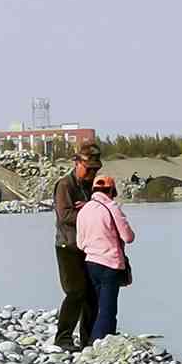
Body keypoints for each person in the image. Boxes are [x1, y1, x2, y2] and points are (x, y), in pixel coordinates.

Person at [51, 140, 101, 350]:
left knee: (91, 294)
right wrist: (88, 211)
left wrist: (90, 207)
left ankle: (88, 339)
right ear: (77, 163)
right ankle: (63, 338)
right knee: (75, 292)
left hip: (87, 247)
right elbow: (65, 216)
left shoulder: (90, 185)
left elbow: (102, 208)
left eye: (95, 170)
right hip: (68, 247)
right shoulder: (65, 185)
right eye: (89, 169)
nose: (91, 174)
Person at [75, 173, 135, 342]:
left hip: (90, 263)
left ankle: (89, 341)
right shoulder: (112, 208)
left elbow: (80, 243)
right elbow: (128, 237)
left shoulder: (84, 210)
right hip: (110, 264)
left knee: (96, 306)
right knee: (108, 310)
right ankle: (101, 344)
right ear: (111, 190)